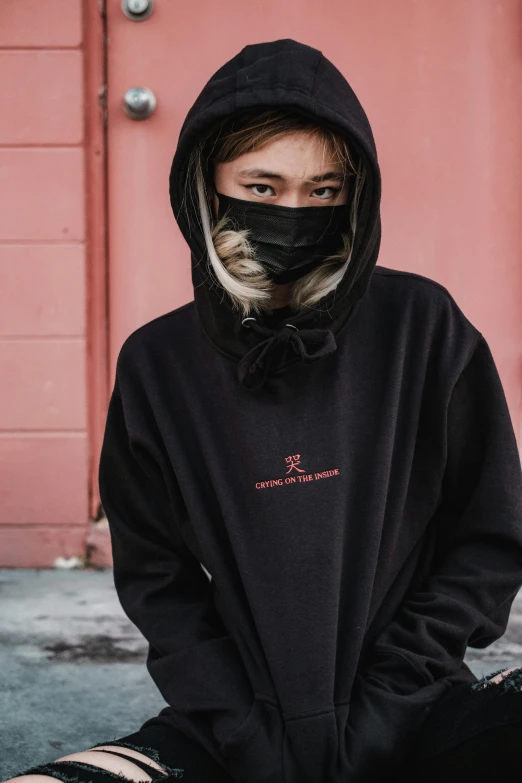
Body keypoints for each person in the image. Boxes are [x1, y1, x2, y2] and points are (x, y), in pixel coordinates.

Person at [6, 37, 522, 783]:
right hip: (231, 732)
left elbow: (486, 538)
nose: (295, 211)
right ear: (207, 182)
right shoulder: (158, 364)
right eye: (263, 185)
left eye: (324, 190)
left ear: (357, 192)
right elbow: (160, 580)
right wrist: (243, 729)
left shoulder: (425, 328)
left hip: (417, 709)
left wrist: (391, 697)